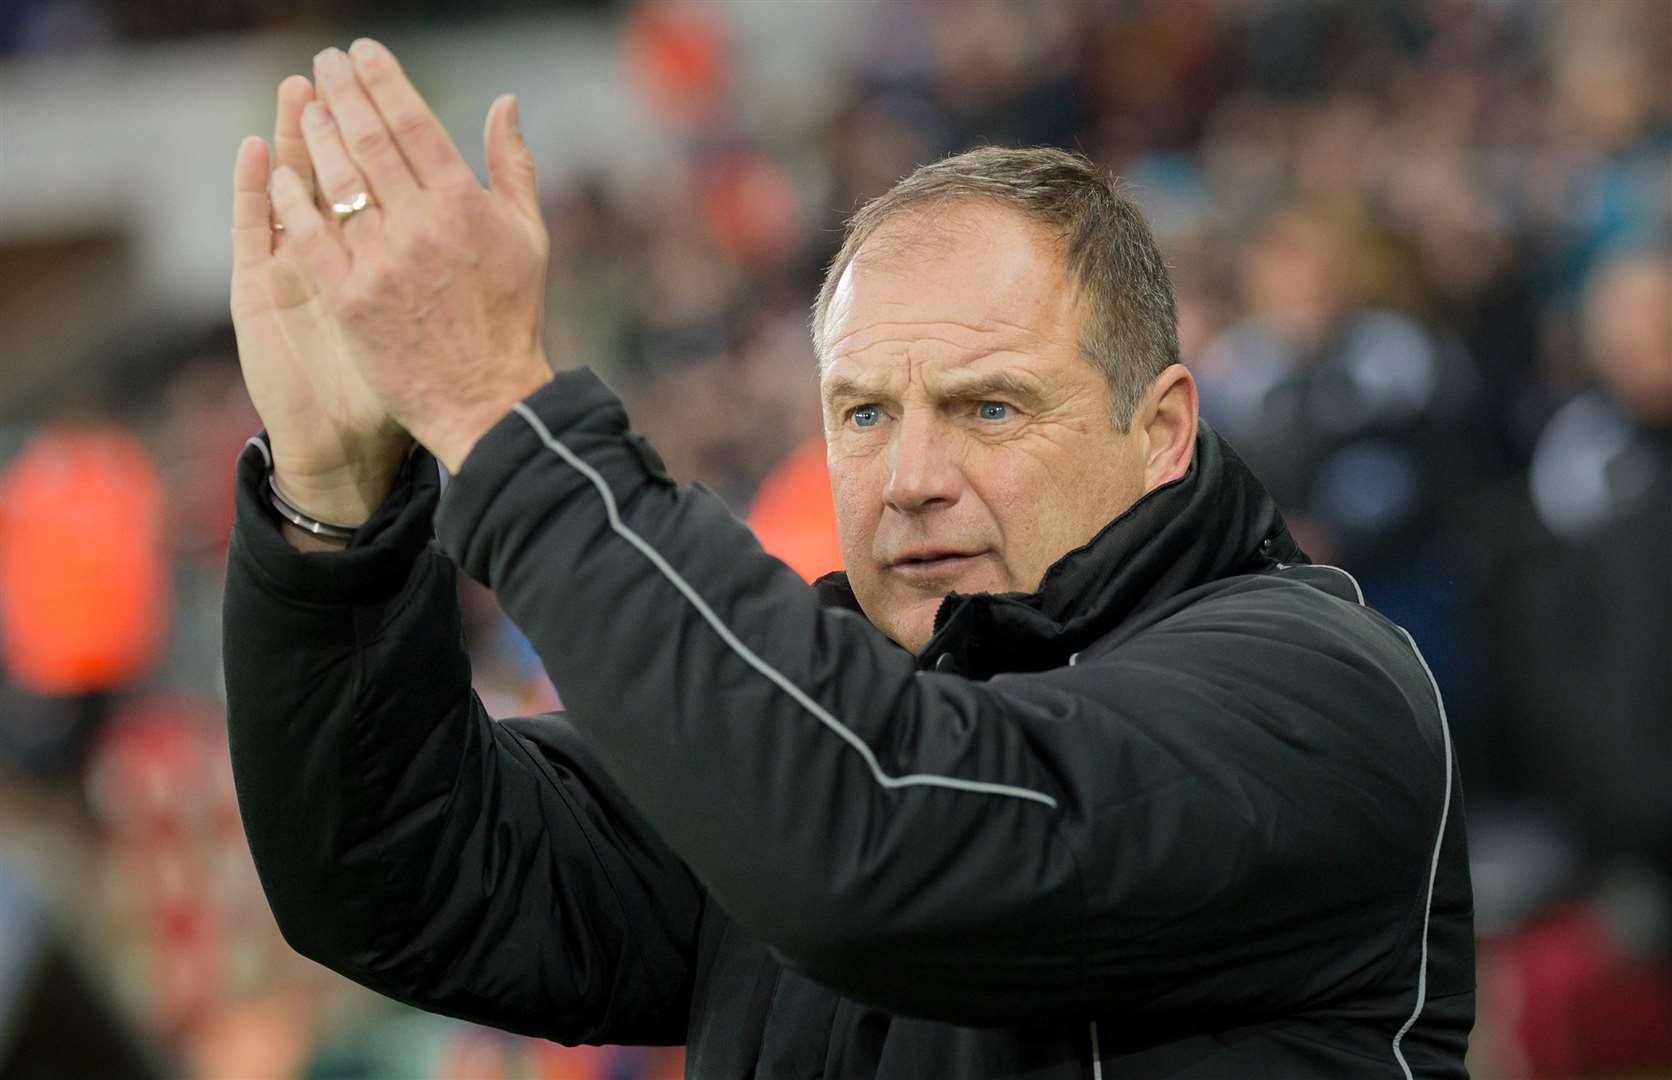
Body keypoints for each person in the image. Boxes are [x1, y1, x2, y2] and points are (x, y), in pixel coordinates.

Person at [224, 39, 1473, 1078]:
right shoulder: (815, 728)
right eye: (864, 413)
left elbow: (887, 842)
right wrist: (335, 502)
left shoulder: (1317, 693)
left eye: (990, 407)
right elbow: (399, 873)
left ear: (1160, 432)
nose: (910, 477)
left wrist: (504, 413)